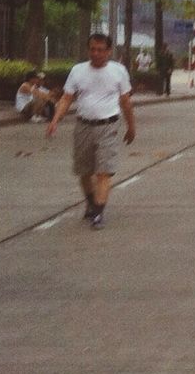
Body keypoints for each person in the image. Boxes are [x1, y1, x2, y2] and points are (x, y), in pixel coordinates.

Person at [46, 33, 135, 230]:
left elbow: (126, 102)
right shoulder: (78, 71)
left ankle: (98, 213)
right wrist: (55, 120)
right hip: (84, 125)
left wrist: (131, 127)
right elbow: (67, 98)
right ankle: (91, 203)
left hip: (108, 125)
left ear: (109, 51)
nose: (96, 53)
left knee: (103, 172)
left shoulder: (118, 71)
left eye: (100, 50)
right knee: (84, 171)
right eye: (92, 49)